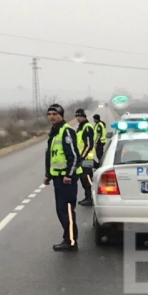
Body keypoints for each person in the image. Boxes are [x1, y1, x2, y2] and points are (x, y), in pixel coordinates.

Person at [44, 104, 82, 251]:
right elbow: (51, 156)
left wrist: (68, 174)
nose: (51, 116)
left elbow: (73, 156)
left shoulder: (66, 132)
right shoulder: (54, 132)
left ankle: (71, 241)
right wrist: (48, 175)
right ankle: (68, 238)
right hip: (58, 179)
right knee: (61, 211)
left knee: (66, 210)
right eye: (49, 114)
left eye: (54, 113)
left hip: (67, 180)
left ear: (61, 115)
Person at [75, 109, 95, 206]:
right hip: (82, 158)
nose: (77, 118)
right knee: (83, 179)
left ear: (83, 116)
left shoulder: (86, 128)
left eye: (79, 116)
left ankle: (90, 197)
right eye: (76, 116)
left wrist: (82, 157)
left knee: (87, 178)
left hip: (86, 158)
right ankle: (87, 197)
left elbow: (89, 145)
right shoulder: (81, 127)